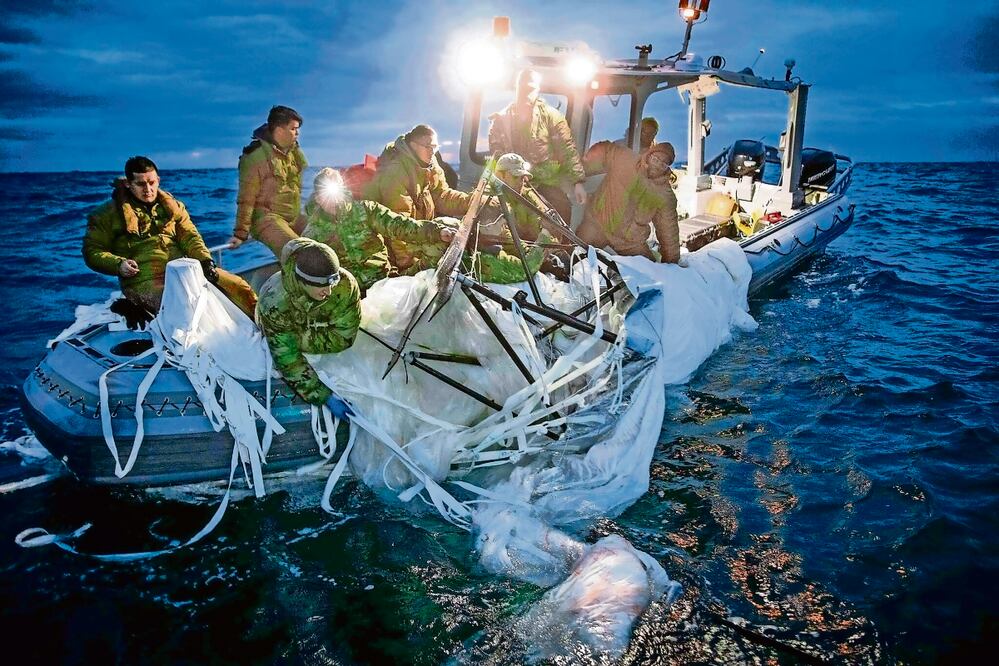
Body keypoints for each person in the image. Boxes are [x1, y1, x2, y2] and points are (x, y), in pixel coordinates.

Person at [83, 156, 258, 322]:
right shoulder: (105, 215)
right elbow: (92, 251)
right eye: (141, 184)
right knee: (183, 305)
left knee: (238, 286)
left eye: (151, 183)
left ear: (158, 180)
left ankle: (265, 328)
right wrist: (118, 264)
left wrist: (206, 262)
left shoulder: (174, 207)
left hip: (184, 271)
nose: (148, 189)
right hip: (143, 281)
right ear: (129, 184)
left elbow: (190, 237)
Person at [303, 168, 457, 293]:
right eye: (325, 195)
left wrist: (436, 232)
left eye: (335, 193)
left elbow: (401, 226)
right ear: (317, 198)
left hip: (383, 283)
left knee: (438, 247)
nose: (333, 200)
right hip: (347, 296)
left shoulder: (366, 210)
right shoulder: (312, 233)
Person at [255, 238, 361, 417]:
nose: (328, 292)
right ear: (302, 281)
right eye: (321, 286)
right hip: (278, 326)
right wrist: (323, 396)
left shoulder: (344, 285)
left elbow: (345, 337)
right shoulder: (274, 303)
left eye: (331, 283)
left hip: (304, 329)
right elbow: (288, 358)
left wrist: (306, 334)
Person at [488, 68, 587, 224]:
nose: (527, 92)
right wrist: (509, 176)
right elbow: (496, 154)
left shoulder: (552, 117)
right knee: (493, 213)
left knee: (561, 210)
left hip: (544, 183)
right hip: (511, 183)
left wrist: (578, 182)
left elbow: (567, 149)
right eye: (524, 88)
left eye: (531, 88)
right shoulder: (501, 120)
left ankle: (560, 248)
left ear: (538, 90)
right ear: (517, 88)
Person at [576, 141, 680, 263]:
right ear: (649, 155)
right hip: (598, 224)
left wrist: (672, 263)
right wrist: (578, 177)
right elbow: (604, 150)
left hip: (629, 242)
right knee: (574, 254)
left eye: (663, 164)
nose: (657, 165)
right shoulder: (625, 159)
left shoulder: (665, 195)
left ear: (668, 168)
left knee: (650, 272)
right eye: (656, 159)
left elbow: (669, 230)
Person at [228, 105, 308, 257]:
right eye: (293, 129)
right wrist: (240, 234)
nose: (297, 133)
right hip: (266, 218)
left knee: (328, 237)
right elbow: (246, 198)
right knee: (299, 252)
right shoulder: (255, 157)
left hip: (292, 216)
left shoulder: (293, 151)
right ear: (279, 130)